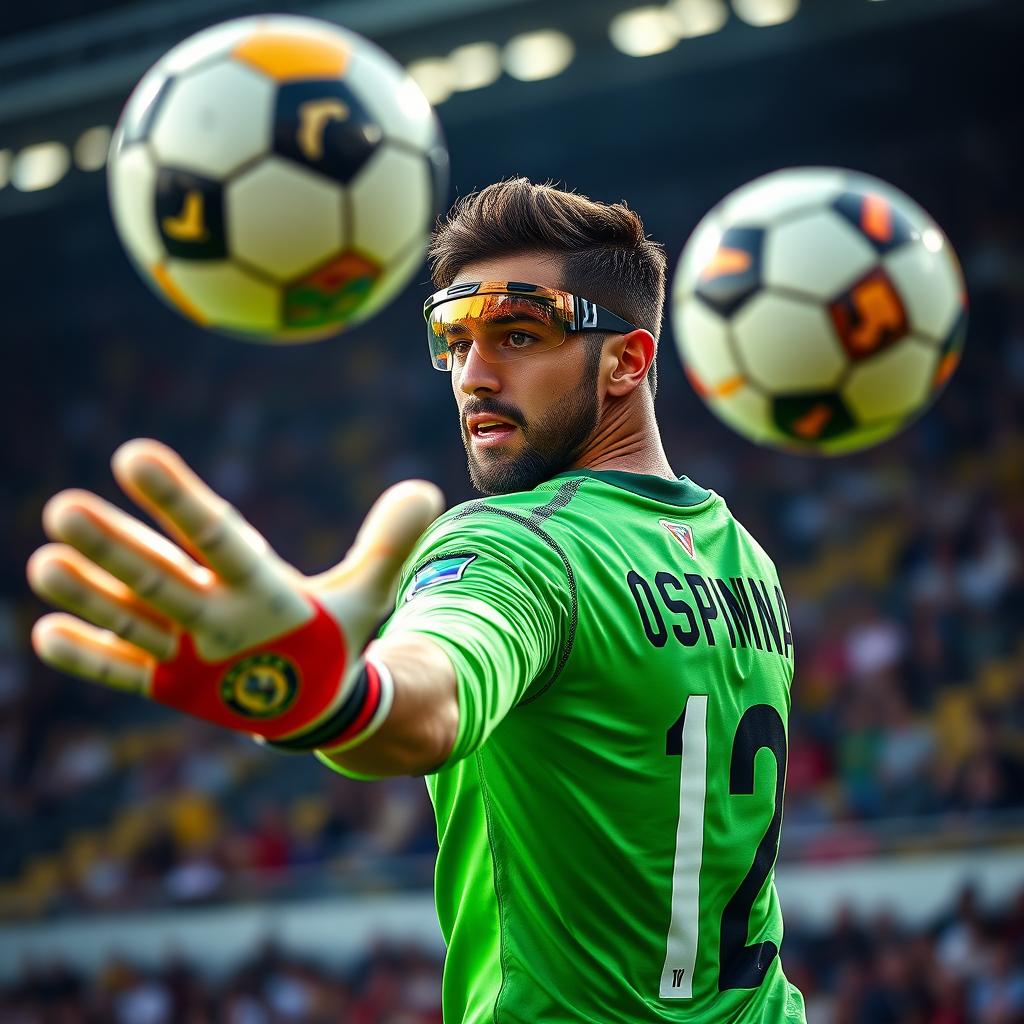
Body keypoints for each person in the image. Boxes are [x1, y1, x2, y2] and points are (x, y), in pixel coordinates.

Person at [27, 179, 805, 1023]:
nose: (474, 374)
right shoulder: (744, 558)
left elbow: (431, 699)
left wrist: (336, 700)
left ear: (627, 359)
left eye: (517, 332)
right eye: (454, 339)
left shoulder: (516, 540)